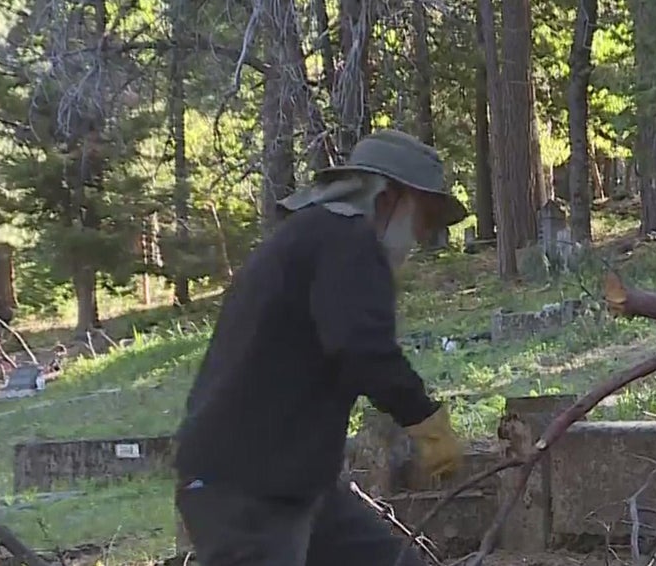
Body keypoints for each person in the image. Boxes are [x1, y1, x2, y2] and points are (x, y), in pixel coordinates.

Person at [173, 129, 468, 566]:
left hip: (293, 481)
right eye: (422, 219)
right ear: (387, 199)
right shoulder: (347, 239)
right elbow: (360, 346)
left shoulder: (312, 237)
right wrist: (423, 418)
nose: (421, 237)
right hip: (247, 491)